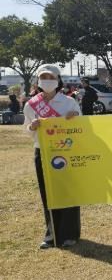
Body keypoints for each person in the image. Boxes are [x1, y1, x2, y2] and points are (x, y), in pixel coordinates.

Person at [23, 64, 82, 249]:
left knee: (68, 192)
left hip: (66, 152)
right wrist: (32, 127)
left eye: (51, 77)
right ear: (38, 80)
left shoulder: (69, 102)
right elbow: (27, 130)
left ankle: (70, 234)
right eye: (43, 77)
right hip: (42, 152)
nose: (47, 81)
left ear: (58, 81)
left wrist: (75, 117)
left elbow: (82, 128)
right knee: (47, 193)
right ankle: (52, 234)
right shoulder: (31, 104)